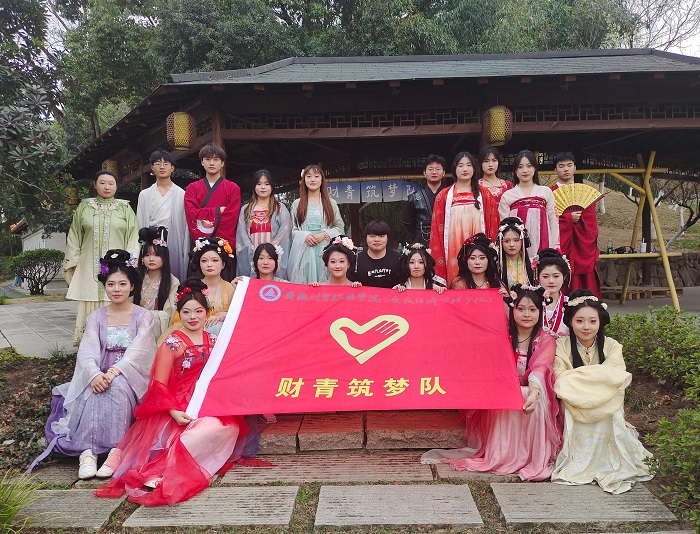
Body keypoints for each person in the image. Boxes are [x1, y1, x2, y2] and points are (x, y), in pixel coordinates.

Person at [94, 278, 248, 506]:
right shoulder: (171, 343)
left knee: (228, 427)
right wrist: (173, 411)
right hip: (175, 404)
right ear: (179, 313)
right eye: (186, 312)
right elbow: (159, 383)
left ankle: (186, 466)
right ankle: (161, 469)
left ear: (207, 312)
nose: (192, 317)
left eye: (198, 311)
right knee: (198, 432)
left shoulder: (215, 341)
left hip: (205, 401)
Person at [29, 250, 155, 478]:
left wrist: (115, 372)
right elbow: (88, 350)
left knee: (117, 388)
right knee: (93, 391)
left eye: (122, 284)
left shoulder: (143, 316)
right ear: (104, 286)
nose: (116, 289)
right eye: (111, 284)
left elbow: (140, 351)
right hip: (100, 372)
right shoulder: (96, 317)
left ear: (132, 287)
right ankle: (87, 452)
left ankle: (116, 450)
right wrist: (94, 374)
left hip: (130, 374)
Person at [422, 285, 561, 481]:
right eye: (521, 309)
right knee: (508, 396)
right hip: (504, 387)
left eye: (532, 309)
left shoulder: (546, 339)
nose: (526, 314)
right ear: (512, 309)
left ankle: (531, 456)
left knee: (529, 398)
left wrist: (534, 392)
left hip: (534, 389)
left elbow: (540, 368)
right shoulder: (502, 334)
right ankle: (502, 454)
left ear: (540, 311)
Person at [552, 290, 653, 493]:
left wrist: (578, 378)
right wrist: (598, 378)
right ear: (570, 322)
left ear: (600, 322)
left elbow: (616, 377)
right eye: (579, 321)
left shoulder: (612, 345)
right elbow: (560, 378)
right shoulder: (561, 345)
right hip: (574, 403)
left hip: (607, 402)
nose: (586, 327)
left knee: (611, 410)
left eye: (592, 321)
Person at [65, 170, 140, 343]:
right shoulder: (84, 206)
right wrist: (74, 262)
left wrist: (129, 263)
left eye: (111, 183)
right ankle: (88, 347)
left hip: (118, 267)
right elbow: (74, 236)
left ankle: (116, 346)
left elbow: (133, 236)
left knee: (115, 295)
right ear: (95, 185)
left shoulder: (124, 208)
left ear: (116, 186)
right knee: (89, 299)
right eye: (102, 182)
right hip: (88, 267)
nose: (107, 187)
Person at [430, 151, 500, 288]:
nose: (465, 169)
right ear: (454, 169)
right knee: (456, 281)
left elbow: (493, 224)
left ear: (474, 168)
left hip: (479, 246)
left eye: (469, 165)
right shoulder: (443, 196)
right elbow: (437, 229)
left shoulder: (485, 194)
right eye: (461, 165)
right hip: (453, 245)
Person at [184, 143, 241, 280]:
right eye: (207, 159)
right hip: (200, 246)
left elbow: (231, 217)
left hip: (223, 247)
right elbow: (192, 213)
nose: (211, 163)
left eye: (216, 159)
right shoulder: (192, 188)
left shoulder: (233, 188)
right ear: (202, 162)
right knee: (197, 287)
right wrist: (217, 211)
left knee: (225, 287)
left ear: (222, 163)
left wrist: (204, 214)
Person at [551, 152, 601, 297]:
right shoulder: (550, 193)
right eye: (561, 166)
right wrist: (568, 219)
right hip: (561, 243)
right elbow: (548, 221)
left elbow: (591, 224)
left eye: (569, 165)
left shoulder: (585, 193)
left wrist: (577, 219)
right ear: (555, 170)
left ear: (575, 167)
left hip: (582, 245)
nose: (566, 169)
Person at [136, 150, 190, 282]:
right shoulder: (145, 194)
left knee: (173, 274)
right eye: (158, 163)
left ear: (172, 168)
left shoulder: (181, 194)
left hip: (173, 238)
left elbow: (184, 225)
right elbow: (140, 222)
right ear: (152, 167)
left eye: (166, 164)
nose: (162, 167)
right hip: (150, 239)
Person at [288, 165, 345, 284]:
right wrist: (304, 236)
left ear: (322, 179)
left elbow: (339, 227)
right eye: (308, 176)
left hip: (325, 250)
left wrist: (324, 234)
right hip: (304, 250)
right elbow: (292, 229)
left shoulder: (331, 203)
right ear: (304, 180)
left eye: (316, 176)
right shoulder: (297, 204)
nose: (312, 180)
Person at [499, 150, 559, 258]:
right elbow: (504, 227)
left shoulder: (545, 192)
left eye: (529, 166)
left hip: (544, 244)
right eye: (520, 167)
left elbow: (553, 221)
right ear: (515, 170)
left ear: (535, 168)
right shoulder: (508, 196)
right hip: (516, 249)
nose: (525, 170)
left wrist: (553, 247)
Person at [235, 169, 292, 279]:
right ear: (254, 187)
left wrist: (271, 249)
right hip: (252, 251)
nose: (263, 187)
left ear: (272, 187)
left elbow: (285, 231)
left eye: (266, 184)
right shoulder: (246, 209)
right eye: (259, 184)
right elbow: (241, 232)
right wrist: (251, 248)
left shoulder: (280, 208)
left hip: (273, 252)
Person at [133, 226, 179, 341]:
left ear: (164, 257)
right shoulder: (134, 278)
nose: (151, 259)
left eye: (156, 255)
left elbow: (169, 312)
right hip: (134, 324)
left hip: (157, 328)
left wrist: (146, 316)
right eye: (147, 255)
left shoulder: (173, 281)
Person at [403, 154, 447, 246]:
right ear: (424, 173)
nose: (434, 172)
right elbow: (408, 222)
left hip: (445, 238)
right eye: (430, 169)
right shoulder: (414, 197)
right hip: (422, 238)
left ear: (443, 172)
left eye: (438, 169)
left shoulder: (450, 195)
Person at [348, 220, 401, 288]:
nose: (377, 240)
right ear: (366, 238)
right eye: (372, 236)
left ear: (387, 238)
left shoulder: (397, 258)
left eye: (381, 236)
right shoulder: (356, 259)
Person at [533, 248, 571, 338]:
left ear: (564, 277)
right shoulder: (531, 301)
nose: (551, 281)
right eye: (545, 276)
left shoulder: (570, 303)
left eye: (556, 276)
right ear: (538, 277)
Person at [496, 217, 534, 288]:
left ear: (522, 241)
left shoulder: (532, 264)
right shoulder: (497, 265)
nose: (511, 245)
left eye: (516, 240)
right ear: (501, 242)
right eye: (507, 241)